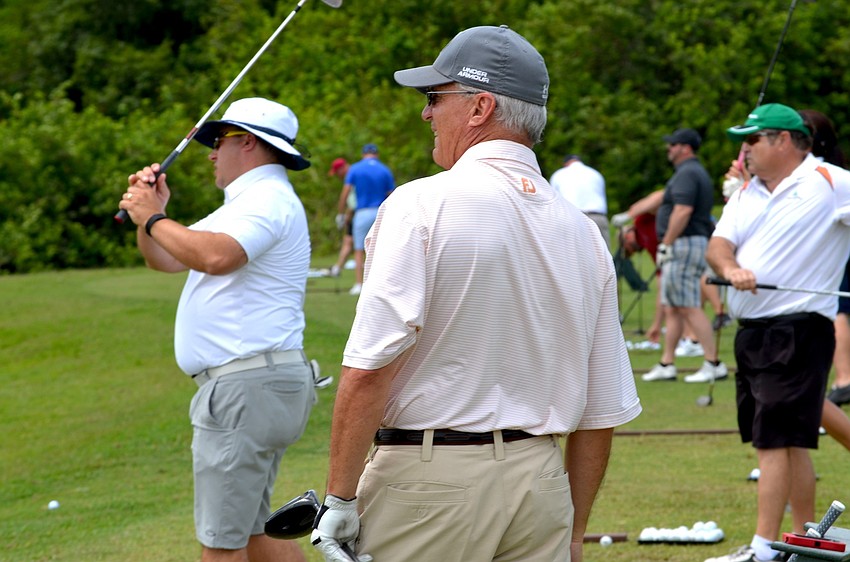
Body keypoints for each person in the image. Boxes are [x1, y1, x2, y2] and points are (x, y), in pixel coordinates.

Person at [309, 25, 641, 562]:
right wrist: (573, 533)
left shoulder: (422, 204)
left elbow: (370, 368)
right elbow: (600, 410)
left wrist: (339, 498)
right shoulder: (582, 230)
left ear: (481, 106)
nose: (426, 113)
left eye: (435, 97)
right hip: (541, 486)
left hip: (431, 485)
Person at [118, 97, 315, 562]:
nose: (211, 152)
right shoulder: (249, 203)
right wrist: (153, 217)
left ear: (248, 143)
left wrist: (152, 216)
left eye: (219, 140)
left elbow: (216, 257)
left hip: (245, 388)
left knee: (221, 548)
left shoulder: (265, 200)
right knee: (250, 537)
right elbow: (166, 258)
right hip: (257, 385)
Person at [703, 103, 850, 562]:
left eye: (751, 140)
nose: (743, 149)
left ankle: (763, 549)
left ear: (782, 141)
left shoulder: (830, 181)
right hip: (753, 333)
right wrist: (731, 268)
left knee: (774, 442)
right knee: (790, 442)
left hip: (798, 329)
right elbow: (718, 246)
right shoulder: (746, 192)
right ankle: (804, 539)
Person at [642, 127, 727, 384]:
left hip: (684, 242)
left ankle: (713, 363)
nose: (669, 148)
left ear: (685, 148)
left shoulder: (688, 173)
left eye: (673, 144)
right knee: (674, 307)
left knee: (688, 305)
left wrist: (666, 243)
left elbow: (682, 211)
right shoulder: (688, 172)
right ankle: (667, 363)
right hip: (686, 242)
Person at [344, 143, 395, 295]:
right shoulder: (385, 169)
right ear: (376, 154)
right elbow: (391, 194)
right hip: (380, 212)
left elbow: (346, 191)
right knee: (381, 249)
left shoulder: (355, 168)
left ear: (363, 154)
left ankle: (359, 284)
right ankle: (380, 284)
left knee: (359, 249)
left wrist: (341, 212)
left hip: (362, 212)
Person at [550, 154, 610, 246]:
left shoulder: (559, 174)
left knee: (573, 256)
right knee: (603, 257)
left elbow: (553, 202)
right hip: (598, 218)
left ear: (566, 164)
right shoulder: (595, 174)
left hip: (571, 218)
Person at [324, 157, 353, 278]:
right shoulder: (356, 172)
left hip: (358, 212)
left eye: (337, 172)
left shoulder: (352, 176)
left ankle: (338, 268)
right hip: (362, 211)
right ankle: (338, 268)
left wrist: (344, 215)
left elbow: (350, 199)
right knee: (349, 241)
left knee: (349, 242)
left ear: (342, 168)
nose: (337, 176)